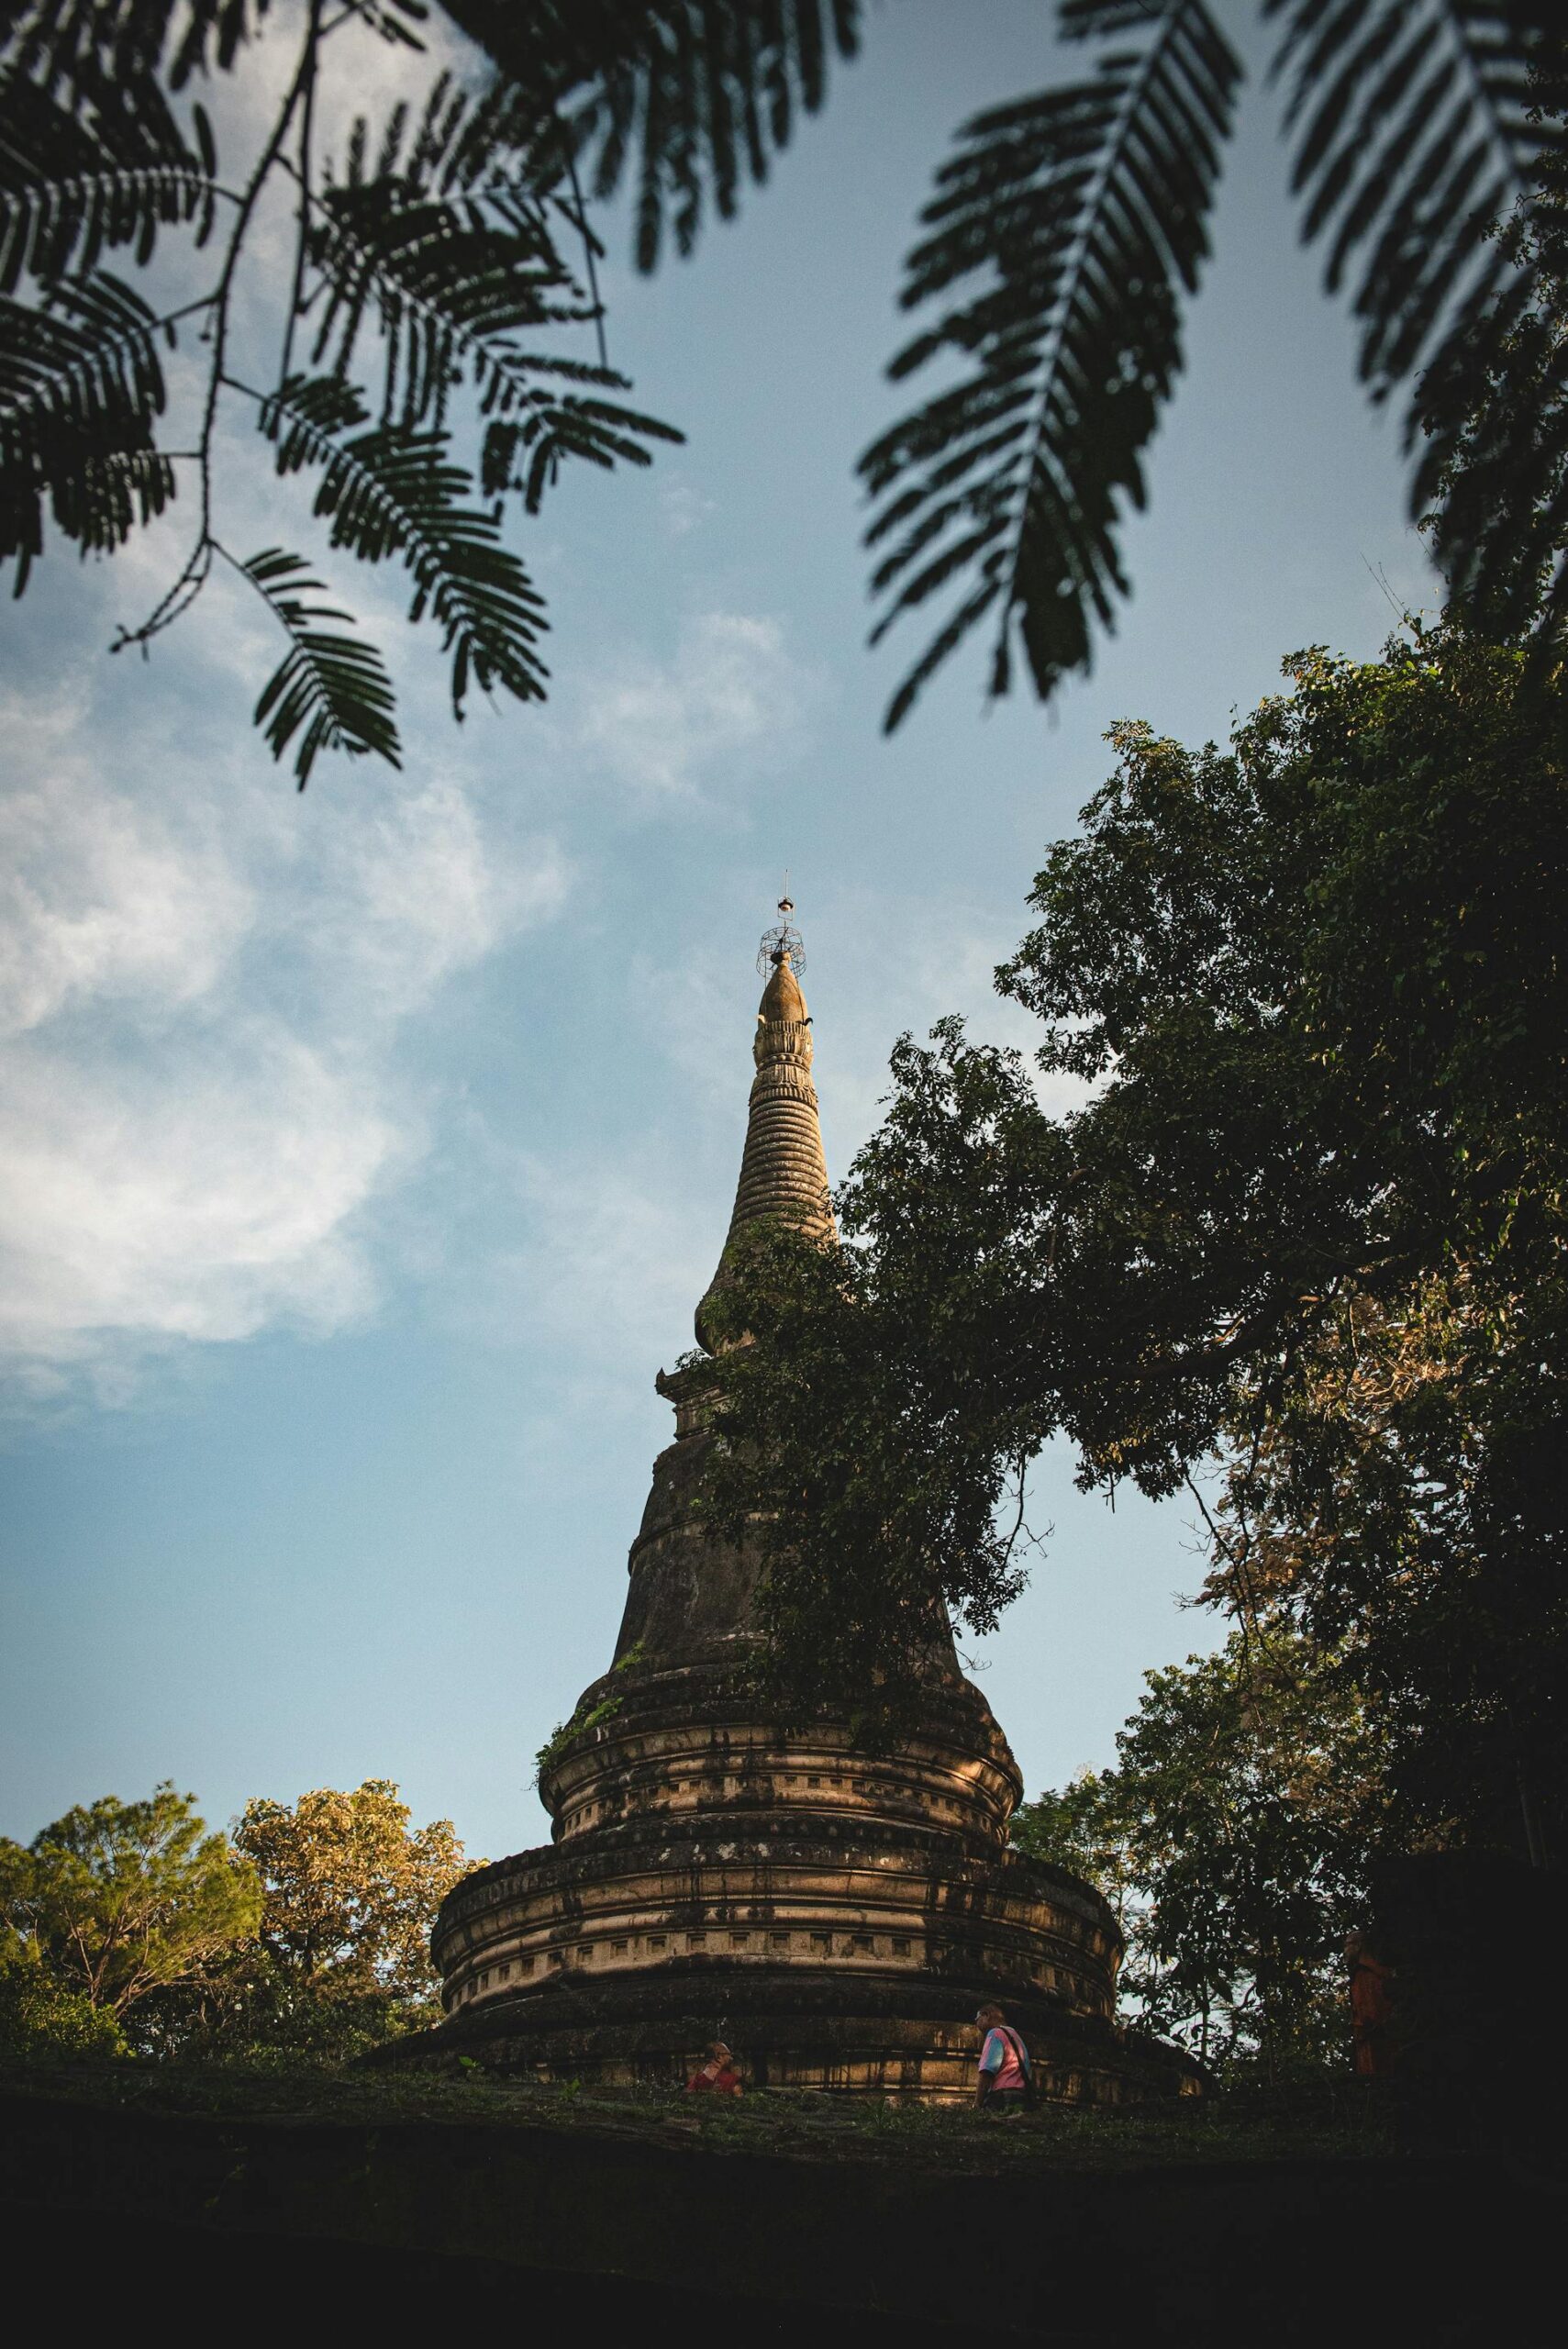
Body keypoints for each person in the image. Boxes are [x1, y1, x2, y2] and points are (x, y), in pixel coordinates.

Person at [1346, 1930, 1396, 2077]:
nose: (1345, 1951)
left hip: (1373, 2042)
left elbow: (1369, 2014)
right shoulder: (1381, 1972)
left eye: (1347, 1946)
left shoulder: (1364, 1974)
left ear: (1359, 1946)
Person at [973, 2004, 1032, 2113]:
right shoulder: (1015, 2035)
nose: (976, 2024)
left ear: (987, 2015)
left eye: (977, 2019)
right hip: (1022, 2097)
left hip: (1003, 2097)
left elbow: (987, 2072)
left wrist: (977, 2104)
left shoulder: (995, 2033)